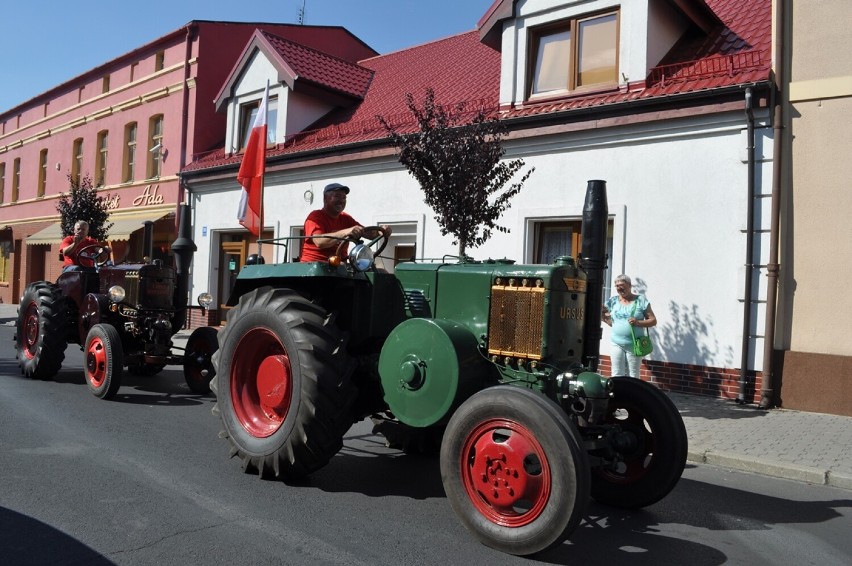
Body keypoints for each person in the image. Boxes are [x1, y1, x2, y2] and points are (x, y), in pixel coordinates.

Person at [300, 182, 392, 262]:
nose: (341, 201)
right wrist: (346, 232)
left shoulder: (345, 218)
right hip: (315, 268)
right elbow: (320, 242)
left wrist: (381, 231)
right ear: (325, 198)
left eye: (344, 198)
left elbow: (369, 234)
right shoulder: (315, 217)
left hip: (339, 266)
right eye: (337, 196)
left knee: (380, 274)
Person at [602, 274, 657, 378]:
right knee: (617, 374)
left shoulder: (640, 300)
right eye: (617, 286)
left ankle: (632, 394)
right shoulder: (613, 301)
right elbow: (602, 313)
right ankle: (618, 393)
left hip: (634, 345)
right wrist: (606, 320)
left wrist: (638, 322)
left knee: (634, 375)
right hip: (616, 343)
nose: (619, 288)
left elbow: (653, 321)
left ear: (629, 285)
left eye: (622, 285)